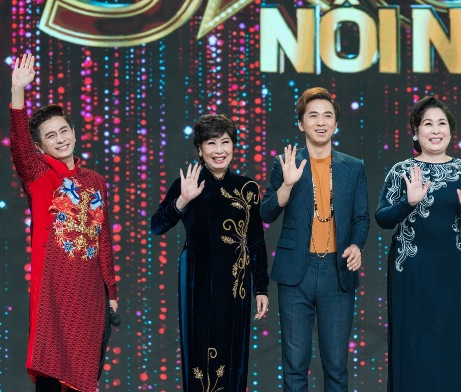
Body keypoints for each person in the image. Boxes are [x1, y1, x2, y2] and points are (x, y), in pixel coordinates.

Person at [9, 53, 119, 392]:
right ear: (40, 146)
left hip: (90, 295)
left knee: (84, 378)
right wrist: (17, 92)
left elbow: (102, 238)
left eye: (63, 131)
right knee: (51, 371)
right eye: (50, 136)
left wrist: (111, 292)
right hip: (55, 292)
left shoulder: (95, 180)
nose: (60, 139)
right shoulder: (38, 175)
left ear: (73, 132)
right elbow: (19, 148)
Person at [375, 96, 461, 392]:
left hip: (455, 273)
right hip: (412, 274)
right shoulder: (401, 171)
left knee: (456, 345)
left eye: (442, 124)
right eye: (428, 124)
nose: (435, 130)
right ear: (416, 131)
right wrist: (407, 202)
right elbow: (382, 218)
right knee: (415, 348)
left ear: (451, 131)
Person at [260, 86, 369, 391]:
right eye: (313, 116)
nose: (321, 122)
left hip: (337, 272)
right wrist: (286, 186)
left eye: (327, 116)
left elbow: (361, 218)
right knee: (295, 366)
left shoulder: (354, 167)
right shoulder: (286, 163)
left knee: (336, 367)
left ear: (336, 123)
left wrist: (356, 245)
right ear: (301, 123)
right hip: (296, 272)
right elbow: (266, 213)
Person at [151, 114, 269, 391]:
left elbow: (255, 241)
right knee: (199, 346)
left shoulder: (247, 188)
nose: (219, 150)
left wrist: (261, 288)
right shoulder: (188, 183)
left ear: (234, 146)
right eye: (211, 143)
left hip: (236, 281)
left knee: (232, 348)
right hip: (197, 278)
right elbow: (157, 226)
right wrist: (183, 200)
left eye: (225, 142)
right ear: (200, 149)